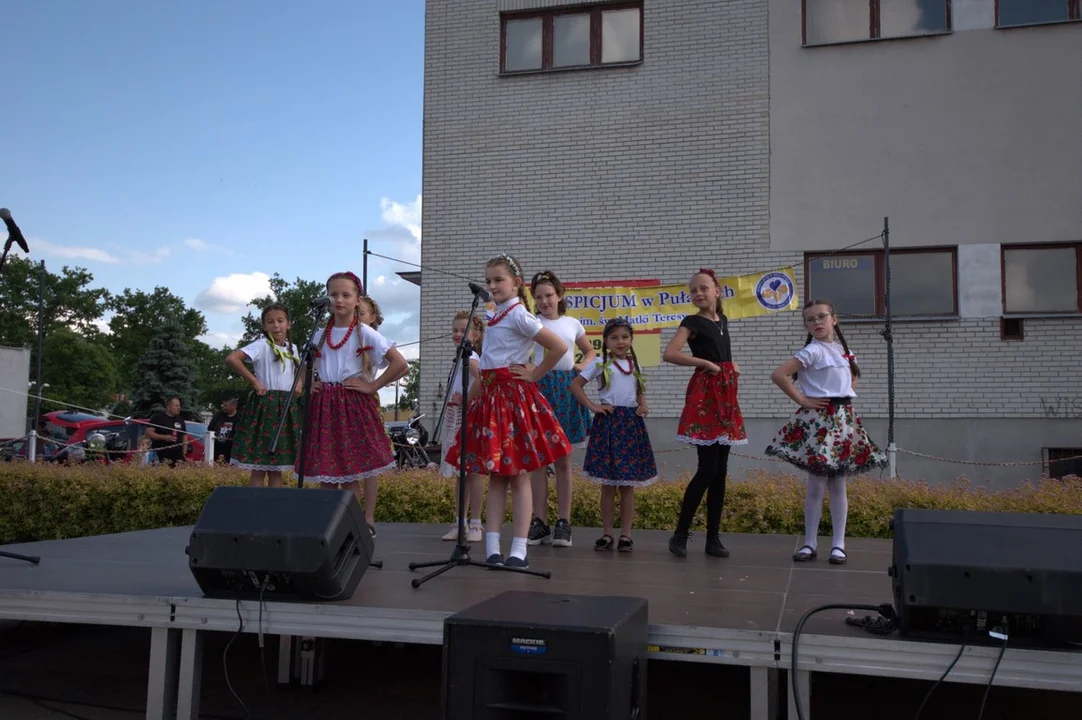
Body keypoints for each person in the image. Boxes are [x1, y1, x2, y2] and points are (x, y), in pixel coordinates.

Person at [443, 253, 572, 568]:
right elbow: (486, 367)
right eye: (488, 280)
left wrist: (535, 374)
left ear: (516, 283)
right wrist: (470, 399)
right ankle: (492, 548)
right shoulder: (493, 315)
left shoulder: (519, 315)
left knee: (518, 475)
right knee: (497, 477)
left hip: (513, 400)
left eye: (498, 279)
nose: (491, 285)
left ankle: (518, 549)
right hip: (490, 399)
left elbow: (558, 347)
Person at [765, 299, 887, 565]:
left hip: (842, 421)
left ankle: (838, 545)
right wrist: (803, 400)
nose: (816, 322)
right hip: (820, 422)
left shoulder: (845, 352)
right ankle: (809, 543)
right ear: (807, 325)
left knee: (838, 483)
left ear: (834, 319)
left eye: (821, 317)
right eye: (810, 319)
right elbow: (779, 375)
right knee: (817, 483)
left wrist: (845, 408)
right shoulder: (812, 352)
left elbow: (849, 382)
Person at [298, 271, 407, 538]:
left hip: (352, 405)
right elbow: (303, 364)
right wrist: (309, 383)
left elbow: (400, 364)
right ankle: (328, 529)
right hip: (325, 405)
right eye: (333, 294)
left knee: (349, 473)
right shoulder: (319, 334)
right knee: (327, 471)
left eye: (346, 295)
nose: (339, 300)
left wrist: (372, 386)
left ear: (358, 300)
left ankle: (353, 527)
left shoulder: (366, 333)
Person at [662, 268, 747, 559]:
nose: (698, 294)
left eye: (703, 289)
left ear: (717, 291)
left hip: (726, 397)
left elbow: (722, 354)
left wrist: (729, 365)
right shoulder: (691, 321)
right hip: (706, 397)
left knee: (721, 473)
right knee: (708, 469)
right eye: (694, 290)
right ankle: (680, 534)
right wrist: (706, 364)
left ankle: (713, 538)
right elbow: (670, 353)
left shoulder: (722, 320)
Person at [571, 317, 656, 553]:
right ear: (606, 342)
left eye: (625, 337)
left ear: (631, 340)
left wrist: (643, 404)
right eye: (614, 337)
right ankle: (607, 533)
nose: (620, 341)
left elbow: (638, 391)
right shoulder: (600, 364)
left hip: (630, 425)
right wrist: (594, 407)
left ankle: (626, 535)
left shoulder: (635, 365)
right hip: (608, 425)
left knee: (627, 485)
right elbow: (575, 385)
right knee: (608, 485)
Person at [526, 270, 596, 549]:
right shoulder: (532, 324)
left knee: (563, 461)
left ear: (559, 296)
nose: (544, 301)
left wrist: (583, 364)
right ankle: (539, 521)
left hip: (566, 391)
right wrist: (529, 368)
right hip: (540, 389)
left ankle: (563, 523)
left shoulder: (572, 324)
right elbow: (522, 353)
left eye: (549, 295)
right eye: (539, 296)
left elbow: (590, 352)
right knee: (539, 461)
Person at [226, 304, 302, 487]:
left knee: (277, 468)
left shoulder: (293, 348)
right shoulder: (261, 346)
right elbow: (232, 359)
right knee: (260, 465)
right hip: (266, 405)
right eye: (270, 322)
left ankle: (274, 512)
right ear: (264, 326)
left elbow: (301, 369)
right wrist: (254, 381)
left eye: (280, 321)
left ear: (288, 324)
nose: (276, 325)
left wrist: (299, 383)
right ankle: (255, 508)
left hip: (286, 406)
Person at [438, 310, 486, 542]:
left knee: (473, 473)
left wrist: (465, 398)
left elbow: (482, 379)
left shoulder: (473, 358)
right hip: (459, 418)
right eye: (455, 330)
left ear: (475, 335)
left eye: (463, 331)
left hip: (470, 418)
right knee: (461, 475)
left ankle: (475, 523)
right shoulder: (460, 358)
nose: (458, 334)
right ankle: (460, 522)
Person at [145, 396, 188, 466]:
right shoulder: (158, 418)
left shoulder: (180, 420)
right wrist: (164, 437)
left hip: (178, 456)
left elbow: (184, 437)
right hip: (161, 455)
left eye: (179, 406)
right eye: (176, 406)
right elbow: (148, 433)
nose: (179, 408)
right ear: (169, 407)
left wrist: (184, 454)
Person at [207, 397, 239, 464]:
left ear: (234, 406)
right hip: (216, 451)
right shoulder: (218, 416)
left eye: (226, 406)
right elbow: (210, 429)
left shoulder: (240, 418)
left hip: (232, 452)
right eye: (223, 405)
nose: (224, 408)